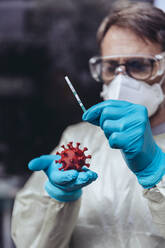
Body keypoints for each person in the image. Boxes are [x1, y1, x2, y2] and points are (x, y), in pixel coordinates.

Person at [11, 2, 165, 248]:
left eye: (139, 65)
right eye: (111, 67)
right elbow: (30, 242)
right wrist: (58, 197)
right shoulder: (81, 140)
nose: (121, 79)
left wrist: (157, 170)